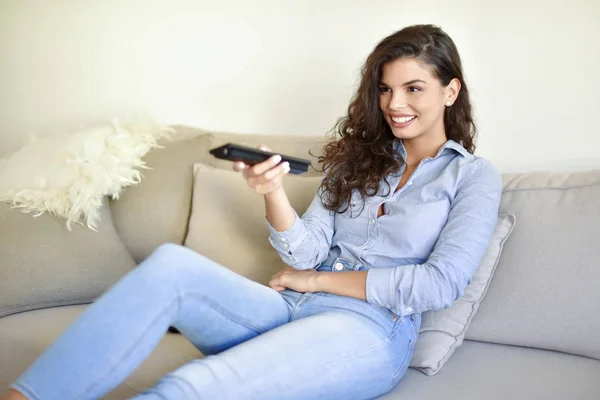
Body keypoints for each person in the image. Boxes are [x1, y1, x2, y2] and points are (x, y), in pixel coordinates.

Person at [3, 24, 501, 400]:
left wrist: (320, 283)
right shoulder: (357, 159)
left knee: (191, 385)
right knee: (172, 266)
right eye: (386, 89)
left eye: (414, 88)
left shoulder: (472, 177)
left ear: (450, 91)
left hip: (370, 330)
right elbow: (304, 253)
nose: (395, 104)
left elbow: (439, 284)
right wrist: (273, 191)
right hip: (290, 309)